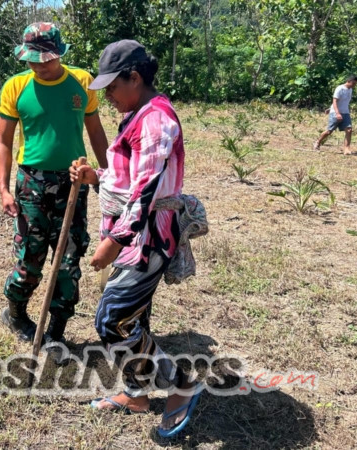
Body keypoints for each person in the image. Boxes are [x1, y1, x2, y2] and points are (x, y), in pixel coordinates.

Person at [69, 40, 202, 438]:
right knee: (133, 318)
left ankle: (181, 384)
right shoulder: (137, 114)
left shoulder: (156, 120)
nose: (107, 95)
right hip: (137, 237)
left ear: (135, 78)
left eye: (112, 86)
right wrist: (97, 177)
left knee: (112, 319)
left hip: (146, 240)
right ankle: (137, 392)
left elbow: (146, 189)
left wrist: (115, 240)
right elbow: (127, 176)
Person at [0, 23, 108, 353]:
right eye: (33, 60)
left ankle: (56, 329)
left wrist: (108, 177)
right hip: (31, 183)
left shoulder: (82, 82)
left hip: (73, 182)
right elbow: (3, 142)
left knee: (69, 258)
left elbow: (96, 132)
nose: (40, 66)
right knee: (31, 256)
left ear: (60, 54)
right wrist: (4, 189)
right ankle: (16, 314)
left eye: (46, 59)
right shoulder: (16, 87)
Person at [313, 75, 357, 155]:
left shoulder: (350, 90)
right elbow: (335, 101)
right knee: (329, 131)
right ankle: (318, 142)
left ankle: (347, 149)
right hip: (336, 113)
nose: (354, 85)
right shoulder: (340, 89)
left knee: (349, 130)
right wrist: (336, 113)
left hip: (345, 112)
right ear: (348, 81)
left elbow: (343, 102)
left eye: (355, 84)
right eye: (353, 83)